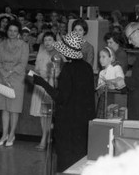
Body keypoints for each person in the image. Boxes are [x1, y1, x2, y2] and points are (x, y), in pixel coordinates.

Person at [33, 32, 96, 172]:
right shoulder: (87, 67)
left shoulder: (68, 69)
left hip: (69, 123)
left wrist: (42, 83)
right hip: (84, 122)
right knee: (80, 159)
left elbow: (61, 97)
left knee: (66, 160)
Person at [0, 20, 29, 147]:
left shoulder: (23, 45)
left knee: (14, 109)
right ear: (7, 31)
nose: (12, 33)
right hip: (2, 77)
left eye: (15, 31)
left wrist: (9, 73)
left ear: (18, 32)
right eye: (10, 30)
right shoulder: (2, 44)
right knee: (4, 108)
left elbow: (23, 63)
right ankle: (4, 134)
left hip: (17, 77)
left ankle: (11, 135)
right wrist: (4, 74)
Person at [29, 31, 58, 150]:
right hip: (40, 87)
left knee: (49, 114)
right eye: (45, 40)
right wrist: (35, 73)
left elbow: (59, 73)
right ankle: (45, 137)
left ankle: (48, 138)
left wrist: (48, 75)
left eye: (50, 40)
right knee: (43, 114)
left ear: (55, 41)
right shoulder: (40, 54)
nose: (47, 43)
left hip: (51, 87)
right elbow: (35, 69)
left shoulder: (58, 55)